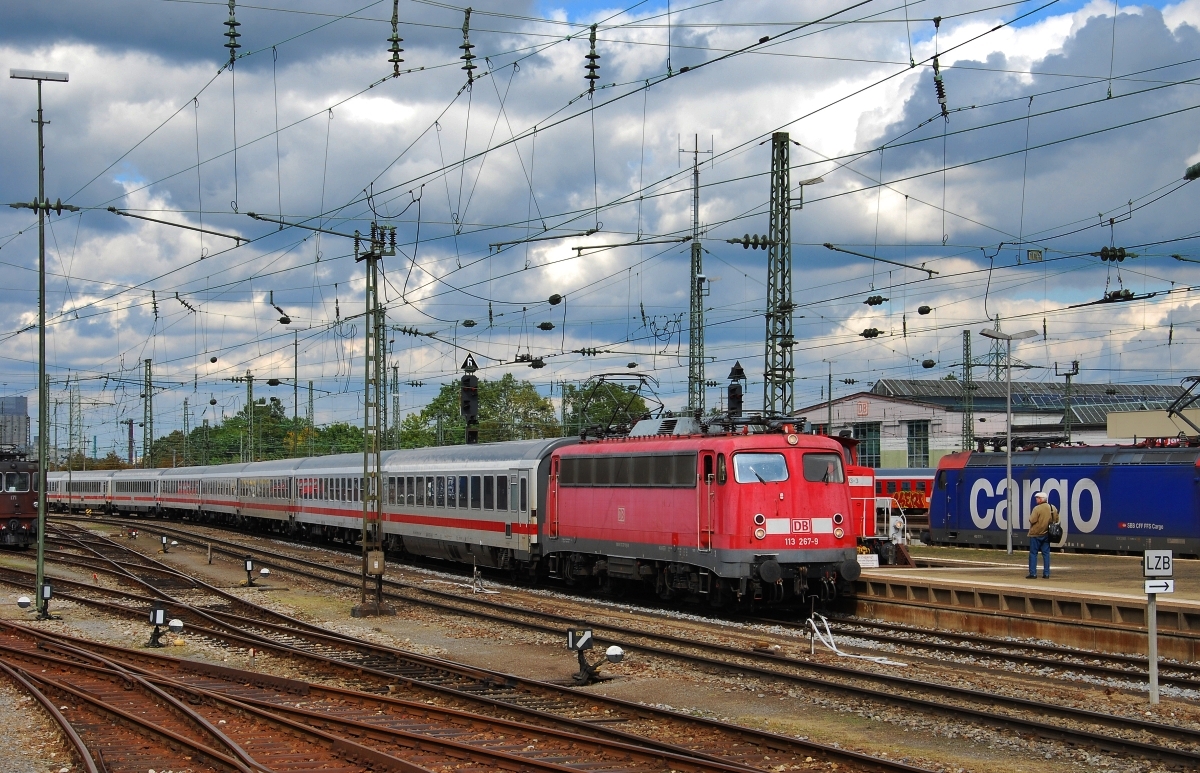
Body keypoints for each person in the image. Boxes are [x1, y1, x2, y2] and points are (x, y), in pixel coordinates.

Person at [1027, 491, 1059, 579]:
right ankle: (1046, 573)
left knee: (1033, 554)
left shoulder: (1037, 509)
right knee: (1046, 554)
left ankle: (1033, 573)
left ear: (1041, 499)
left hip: (1036, 534)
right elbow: (1056, 520)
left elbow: (1032, 520)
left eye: (1037, 498)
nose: (1036, 500)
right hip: (1047, 534)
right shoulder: (1053, 508)